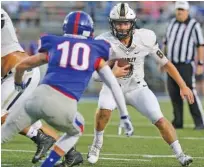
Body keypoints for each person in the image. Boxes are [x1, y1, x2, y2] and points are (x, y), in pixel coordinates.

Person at [1, 11, 134, 167]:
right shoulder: (95, 50)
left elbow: (24, 65)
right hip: (62, 102)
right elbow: (106, 81)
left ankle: (41, 138)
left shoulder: (56, 43)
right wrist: (124, 115)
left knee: (9, 120)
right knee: (74, 128)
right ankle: (59, 157)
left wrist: (18, 82)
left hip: (32, 89)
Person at [84, 3, 194, 166]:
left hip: (136, 87)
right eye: (118, 23)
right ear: (112, 23)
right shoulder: (103, 42)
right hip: (113, 87)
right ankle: (96, 145)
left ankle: (180, 155)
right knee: (104, 112)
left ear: (132, 23)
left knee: (160, 120)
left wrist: (183, 86)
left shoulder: (145, 38)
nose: (122, 27)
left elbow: (166, 63)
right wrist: (112, 74)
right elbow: (93, 75)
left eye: (125, 23)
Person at [1, 8, 58, 163]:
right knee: (31, 122)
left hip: (20, 73)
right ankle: (70, 152)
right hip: (12, 76)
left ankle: (39, 138)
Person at [163, 1, 204, 130]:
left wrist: (200, 63)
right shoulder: (171, 23)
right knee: (174, 93)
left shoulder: (194, 25)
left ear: (187, 11)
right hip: (171, 64)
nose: (179, 11)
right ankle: (178, 121)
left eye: (182, 9)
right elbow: (165, 43)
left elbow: (200, 45)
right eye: (178, 9)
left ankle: (199, 122)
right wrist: (163, 61)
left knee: (190, 92)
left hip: (185, 65)